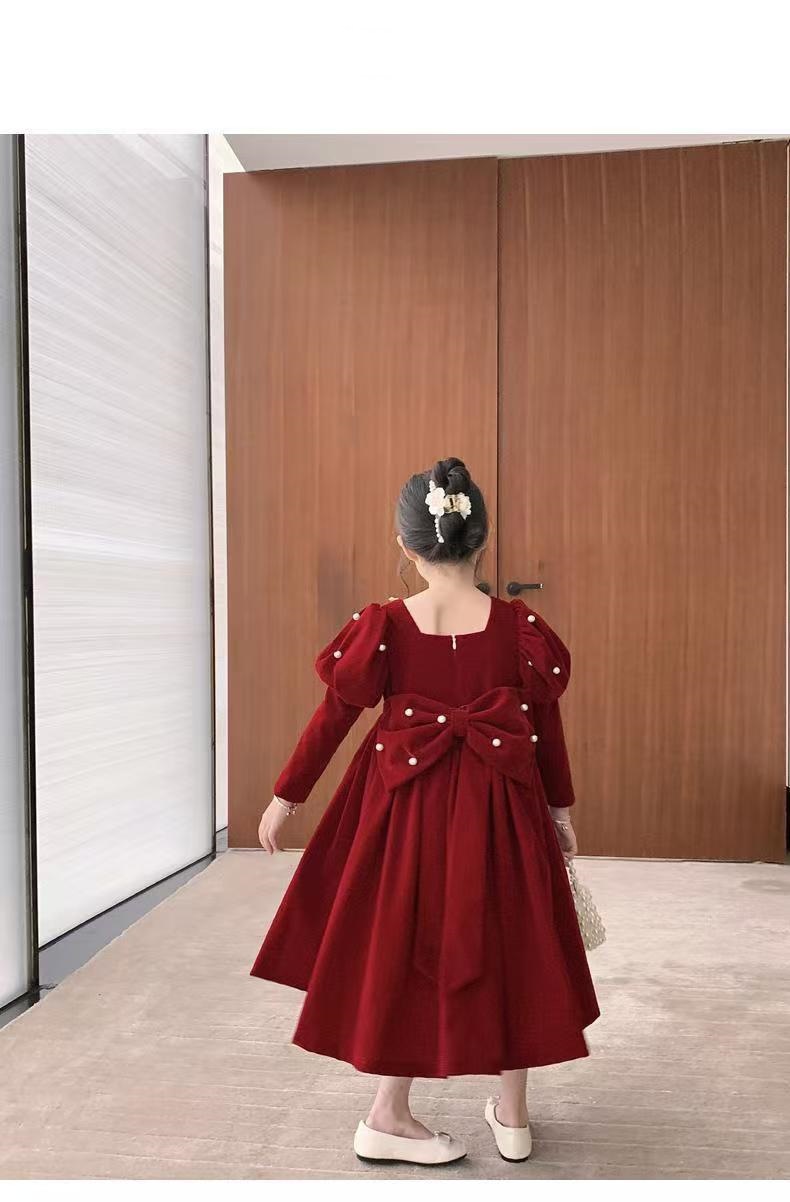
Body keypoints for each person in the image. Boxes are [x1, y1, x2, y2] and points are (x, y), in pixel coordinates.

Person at [250, 457, 600, 1167]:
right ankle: (513, 1115)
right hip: (504, 808)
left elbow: (334, 717)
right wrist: (560, 810)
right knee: (513, 937)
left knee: (401, 942)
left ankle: (389, 1112)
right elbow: (543, 729)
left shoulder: (384, 624)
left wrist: (287, 796)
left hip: (402, 811)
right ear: (482, 540)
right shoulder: (519, 627)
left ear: (405, 546)